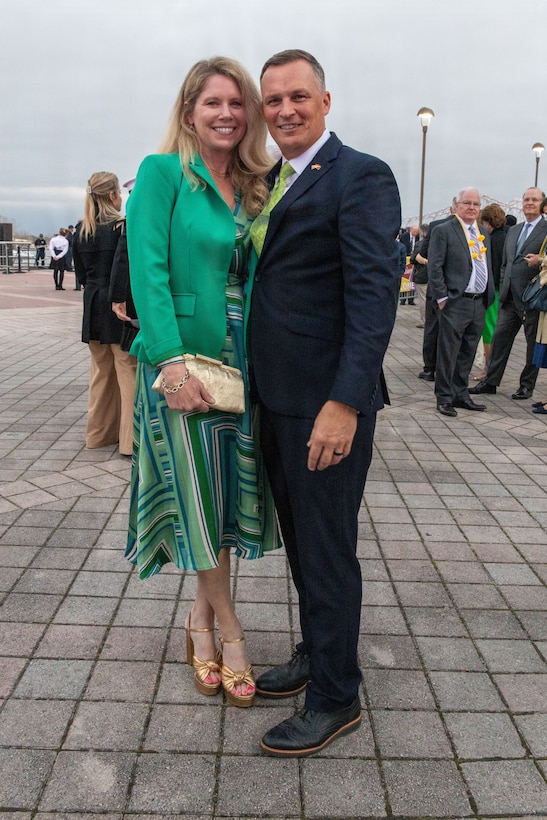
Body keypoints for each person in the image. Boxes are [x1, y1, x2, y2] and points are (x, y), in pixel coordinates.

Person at [247, 49, 401, 756]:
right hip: (277, 398)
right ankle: (317, 650)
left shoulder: (360, 175)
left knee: (328, 548)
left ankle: (336, 696)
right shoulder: (275, 180)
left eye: (297, 97)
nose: (283, 110)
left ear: (326, 101)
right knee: (305, 545)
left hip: (323, 405)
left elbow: (372, 297)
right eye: (272, 99)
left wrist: (344, 403)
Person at [125, 57, 281, 709]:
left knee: (221, 501)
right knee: (196, 498)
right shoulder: (163, 174)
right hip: (184, 361)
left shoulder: (254, 183)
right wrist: (168, 363)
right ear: (188, 110)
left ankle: (198, 620)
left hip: (244, 361)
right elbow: (148, 271)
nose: (226, 114)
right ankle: (231, 632)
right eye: (212, 102)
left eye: (237, 103)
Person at [73, 172, 137, 457]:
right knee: (127, 372)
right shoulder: (121, 227)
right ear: (113, 195)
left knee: (100, 373)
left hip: (93, 305)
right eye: (119, 193)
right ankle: (129, 441)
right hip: (118, 304)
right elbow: (126, 268)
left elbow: (81, 274)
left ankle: (97, 435)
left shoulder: (80, 230)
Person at [470, 187, 547, 400]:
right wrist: (504, 286)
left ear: (542, 204)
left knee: (532, 345)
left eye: (534, 199)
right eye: (526, 199)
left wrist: (540, 261)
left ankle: (526, 386)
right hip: (509, 299)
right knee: (499, 340)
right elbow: (505, 264)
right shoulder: (514, 230)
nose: (529, 202)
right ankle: (490, 382)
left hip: (533, 298)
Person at [427, 188, 495, 417]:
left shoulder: (482, 231)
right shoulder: (444, 230)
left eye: (476, 204)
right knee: (448, 352)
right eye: (467, 203)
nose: (471, 208)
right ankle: (444, 397)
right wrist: (443, 298)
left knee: (467, 351)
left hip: (478, 302)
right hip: (455, 302)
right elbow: (434, 266)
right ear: (457, 205)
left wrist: (488, 296)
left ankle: (460, 393)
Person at [415, 200, 457, 381]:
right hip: (459, 288)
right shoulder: (475, 230)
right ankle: (447, 369)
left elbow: (423, 253)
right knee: (452, 332)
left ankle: (429, 368)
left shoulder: (436, 226)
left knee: (432, 329)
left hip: (436, 286)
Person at [471, 204, 506, 380]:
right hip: (503, 291)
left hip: (493, 291)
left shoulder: (490, 240)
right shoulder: (506, 236)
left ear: (487, 222)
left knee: (489, 331)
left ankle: (487, 370)